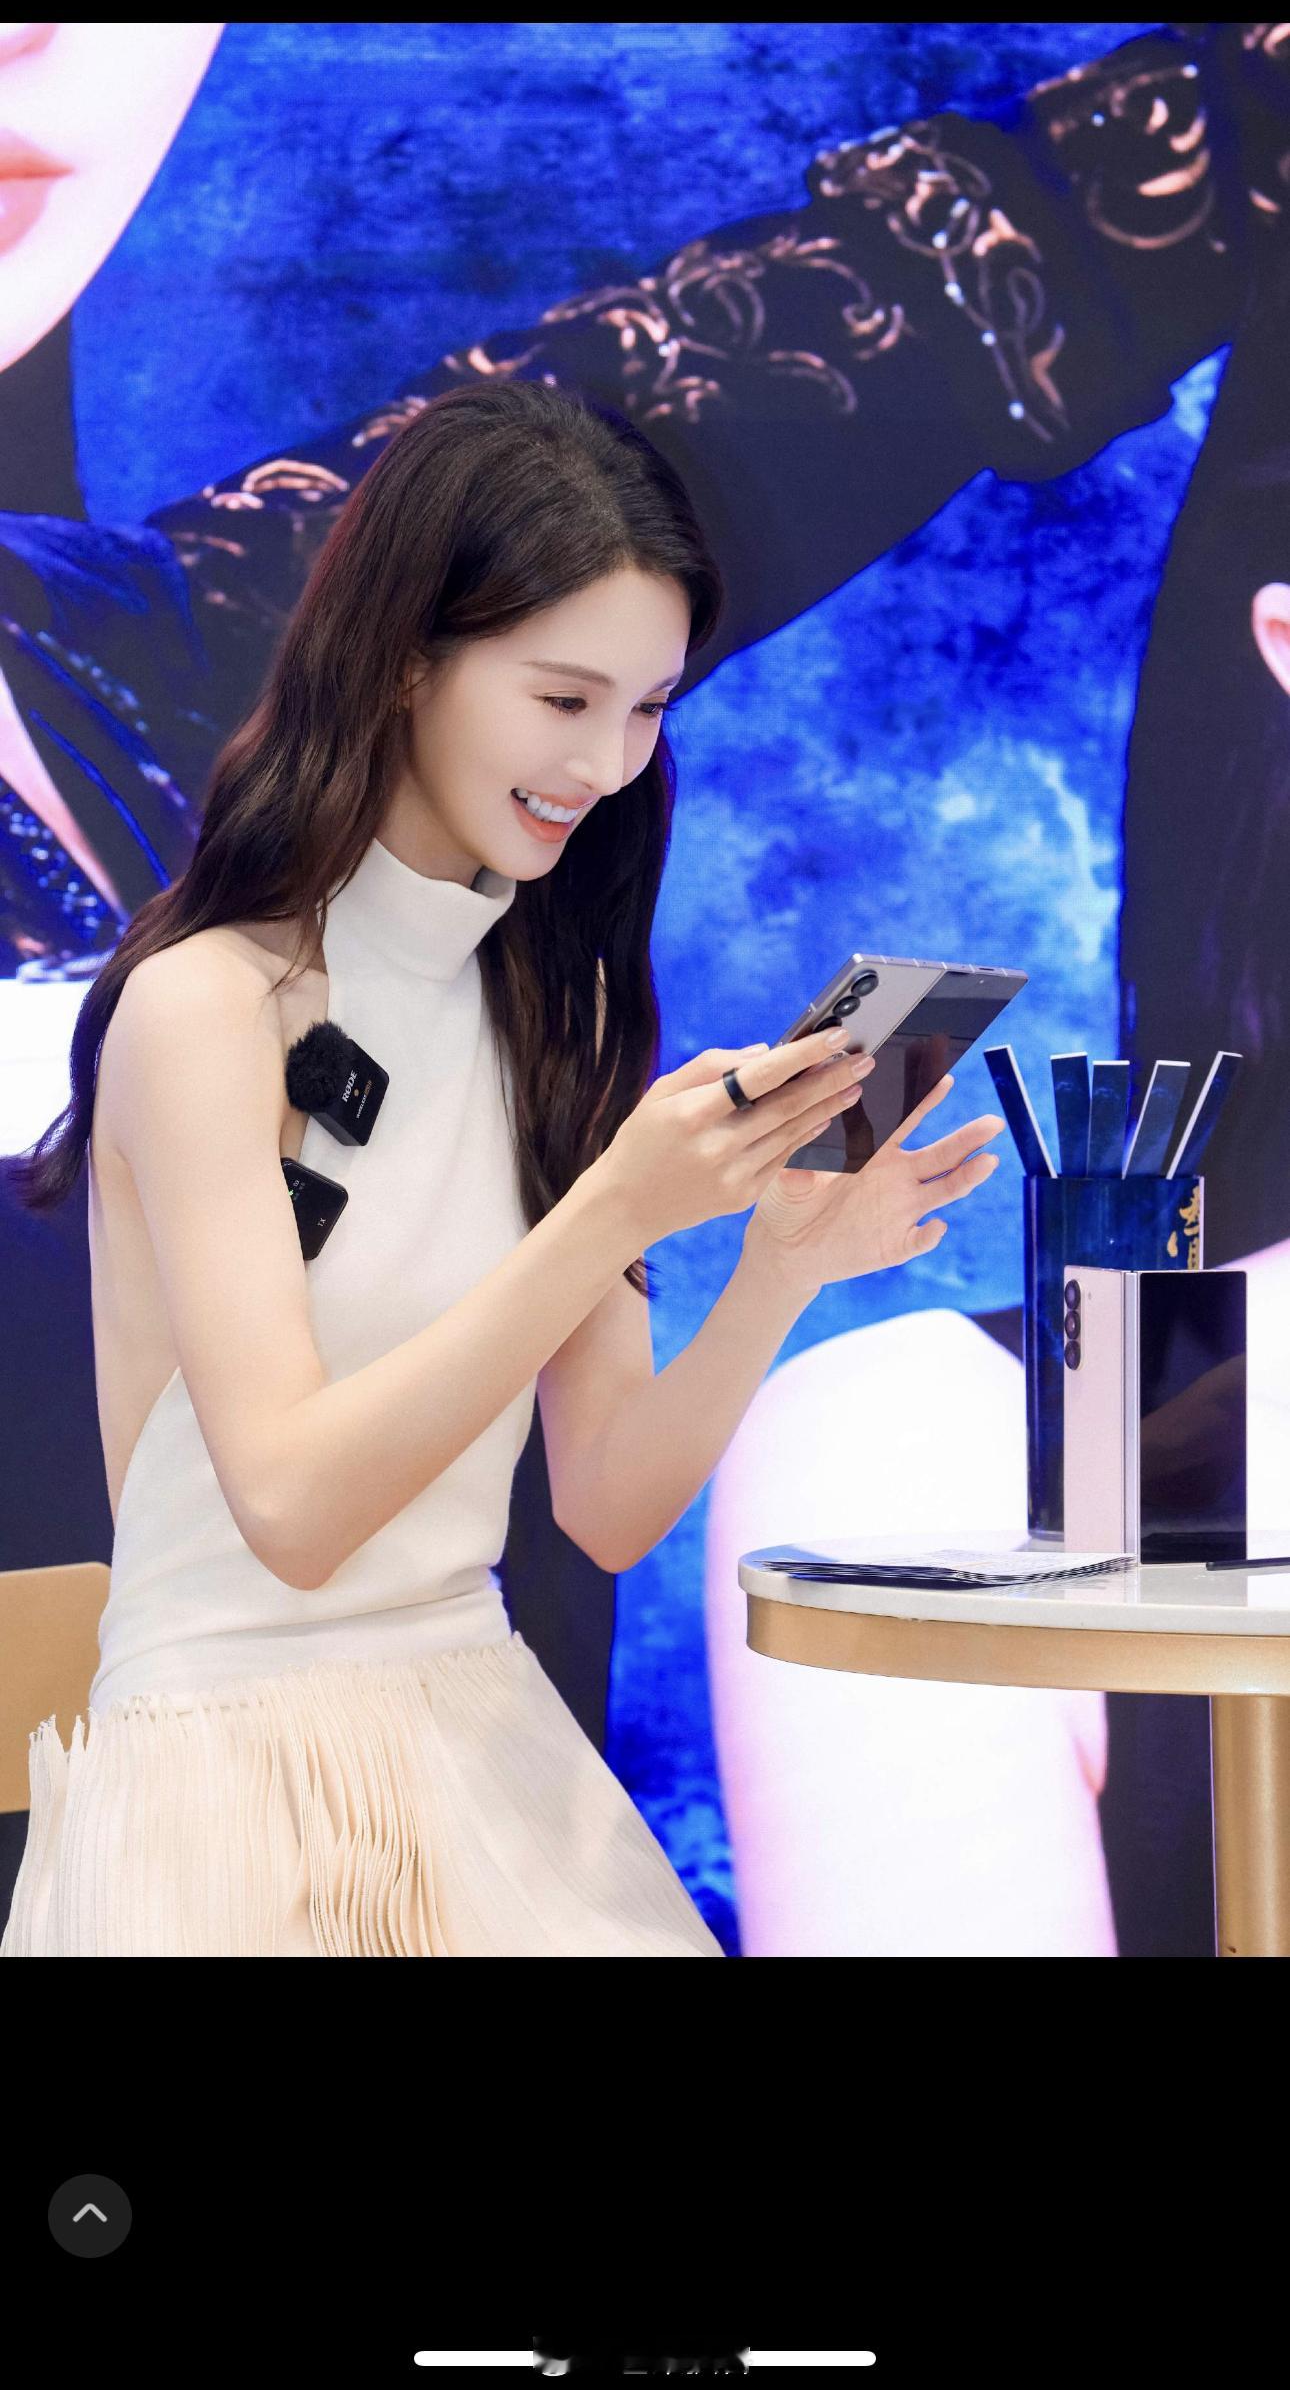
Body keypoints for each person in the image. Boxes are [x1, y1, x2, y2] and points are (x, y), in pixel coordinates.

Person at [0, 377, 1004, 1954]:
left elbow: (603, 1505)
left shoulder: (558, 1007)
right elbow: (289, 1511)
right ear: (407, 658)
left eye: (648, 707)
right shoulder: (207, 1007)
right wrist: (611, 1209)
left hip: (481, 1731)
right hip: (228, 1766)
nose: (604, 762)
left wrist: (777, 1268)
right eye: (562, 698)